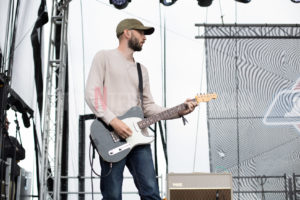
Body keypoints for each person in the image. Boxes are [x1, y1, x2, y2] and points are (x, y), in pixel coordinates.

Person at [85, 18, 197, 200]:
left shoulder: (141, 70)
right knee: (112, 195)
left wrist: (178, 111)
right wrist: (114, 121)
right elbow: (92, 93)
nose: (144, 37)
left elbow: (148, 107)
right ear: (127, 32)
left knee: (151, 192)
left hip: (139, 139)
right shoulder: (104, 57)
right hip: (111, 135)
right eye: (141, 32)